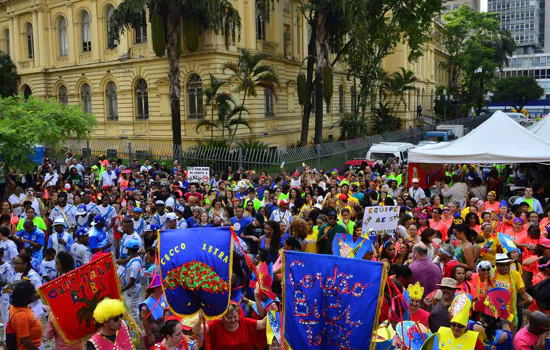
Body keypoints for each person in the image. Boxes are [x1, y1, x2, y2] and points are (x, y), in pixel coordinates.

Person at [192, 302, 267, 350]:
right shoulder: (215, 325)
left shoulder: (245, 323)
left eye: (235, 317)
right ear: (223, 317)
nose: (233, 320)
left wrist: (273, 310)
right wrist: (200, 319)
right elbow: (196, 331)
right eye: (229, 318)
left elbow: (263, 324)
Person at [493, 253, 533, 328]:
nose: (506, 267)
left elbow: (523, 294)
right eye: (502, 265)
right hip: (493, 311)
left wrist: (525, 301)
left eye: (508, 265)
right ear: (497, 265)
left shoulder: (515, 275)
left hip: (509, 313)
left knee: (507, 335)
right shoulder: (491, 274)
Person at [6, 281, 43, 350]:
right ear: (26, 297)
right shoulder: (22, 316)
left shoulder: (14, 307)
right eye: (33, 293)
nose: (35, 295)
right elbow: (24, 339)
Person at [140, 275, 169, 348]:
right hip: (153, 336)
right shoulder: (147, 303)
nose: (163, 288)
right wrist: (149, 335)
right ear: (156, 288)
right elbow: (143, 318)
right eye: (161, 286)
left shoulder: (164, 297)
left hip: (163, 335)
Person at [120, 239, 142, 322]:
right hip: (130, 290)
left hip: (133, 291)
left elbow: (132, 282)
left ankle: (136, 330)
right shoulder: (135, 258)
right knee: (129, 309)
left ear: (129, 249)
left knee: (133, 311)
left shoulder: (135, 264)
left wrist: (121, 290)